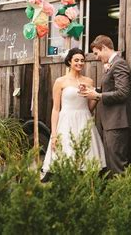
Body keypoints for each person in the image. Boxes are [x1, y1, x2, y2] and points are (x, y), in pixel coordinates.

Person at [42, 48, 106, 176]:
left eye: (82, 60)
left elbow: (90, 108)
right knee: (67, 155)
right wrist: (54, 135)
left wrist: (95, 96)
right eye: (76, 60)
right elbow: (55, 109)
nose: (80, 63)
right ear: (69, 61)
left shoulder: (88, 81)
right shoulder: (60, 82)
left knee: (86, 156)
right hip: (66, 121)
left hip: (84, 120)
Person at [80, 35, 131, 174]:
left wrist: (98, 96)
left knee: (117, 165)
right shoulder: (111, 65)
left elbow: (122, 93)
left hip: (117, 122)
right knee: (110, 164)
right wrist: (93, 91)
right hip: (110, 123)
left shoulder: (119, 64)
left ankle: (123, 193)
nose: (96, 57)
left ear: (104, 48)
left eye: (97, 53)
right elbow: (109, 89)